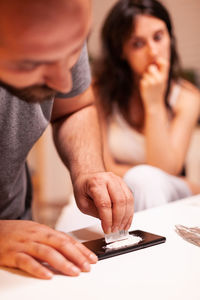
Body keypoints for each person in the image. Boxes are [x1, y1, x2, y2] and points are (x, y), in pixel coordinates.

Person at [0, 0, 134, 279]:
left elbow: (74, 106)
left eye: (74, 49)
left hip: (19, 232)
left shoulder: (61, 23)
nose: (63, 83)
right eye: (34, 61)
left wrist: (88, 170)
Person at [93, 0, 200, 212]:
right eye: (138, 44)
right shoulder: (101, 93)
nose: (153, 51)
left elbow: (166, 169)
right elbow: (102, 168)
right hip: (115, 190)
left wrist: (154, 102)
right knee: (143, 179)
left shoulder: (187, 97)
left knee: (145, 179)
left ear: (170, 37)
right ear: (121, 52)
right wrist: (140, 176)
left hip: (168, 191)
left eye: (158, 37)